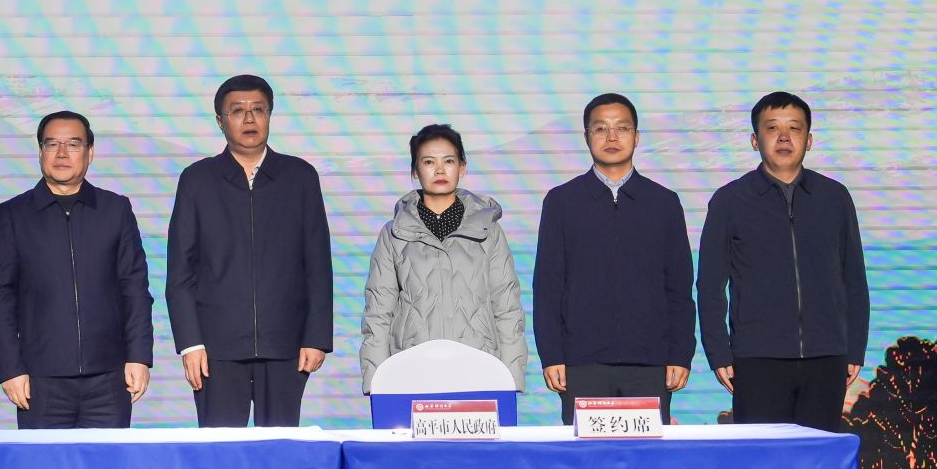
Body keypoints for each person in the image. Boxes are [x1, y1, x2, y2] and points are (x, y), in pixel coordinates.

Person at [167, 74, 334, 427]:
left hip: (286, 344)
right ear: (220, 121)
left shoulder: (299, 176)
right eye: (237, 111)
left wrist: (316, 337)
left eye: (258, 109)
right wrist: (190, 343)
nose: (249, 118)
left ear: (269, 115)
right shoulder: (197, 179)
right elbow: (180, 272)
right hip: (216, 348)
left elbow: (317, 265)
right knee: (221, 450)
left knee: (280, 446)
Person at [699, 91, 870, 431]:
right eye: (772, 128)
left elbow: (853, 278)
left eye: (794, 128)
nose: (783, 137)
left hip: (826, 357)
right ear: (754, 140)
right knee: (762, 456)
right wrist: (719, 353)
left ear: (809, 140)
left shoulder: (834, 197)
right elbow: (709, 285)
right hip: (756, 359)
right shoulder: (730, 201)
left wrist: (854, 348)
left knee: (817, 454)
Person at [532, 93, 695, 424]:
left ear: (636, 136)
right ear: (586, 137)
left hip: (649, 363)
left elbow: (679, 289)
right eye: (600, 129)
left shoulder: (663, 202)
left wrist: (680, 354)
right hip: (582, 363)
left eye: (622, 128)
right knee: (587, 453)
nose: (611, 137)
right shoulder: (562, 202)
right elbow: (548, 287)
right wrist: (551, 355)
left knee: (647, 452)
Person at [0, 111, 154, 428]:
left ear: (90, 152)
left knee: (106, 461)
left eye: (73, 144)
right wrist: (10, 369)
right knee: (44, 462)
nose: (62, 153)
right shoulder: (13, 215)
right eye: (52, 144)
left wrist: (139, 356)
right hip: (39, 380)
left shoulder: (115, 209)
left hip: (110, 377)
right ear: (40, 152)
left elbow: (134, 288)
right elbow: (0, 297)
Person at [359, 123, 526, 392]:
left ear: (462, 167)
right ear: (415, 170)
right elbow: (378, 313)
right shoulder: (393, 234)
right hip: (411, 370)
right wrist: (375, 382)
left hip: (479, 369)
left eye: (448, 161)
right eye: (428, 162)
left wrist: (511, 379)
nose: (439, 170)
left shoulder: (489, 231)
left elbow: (507, 308)